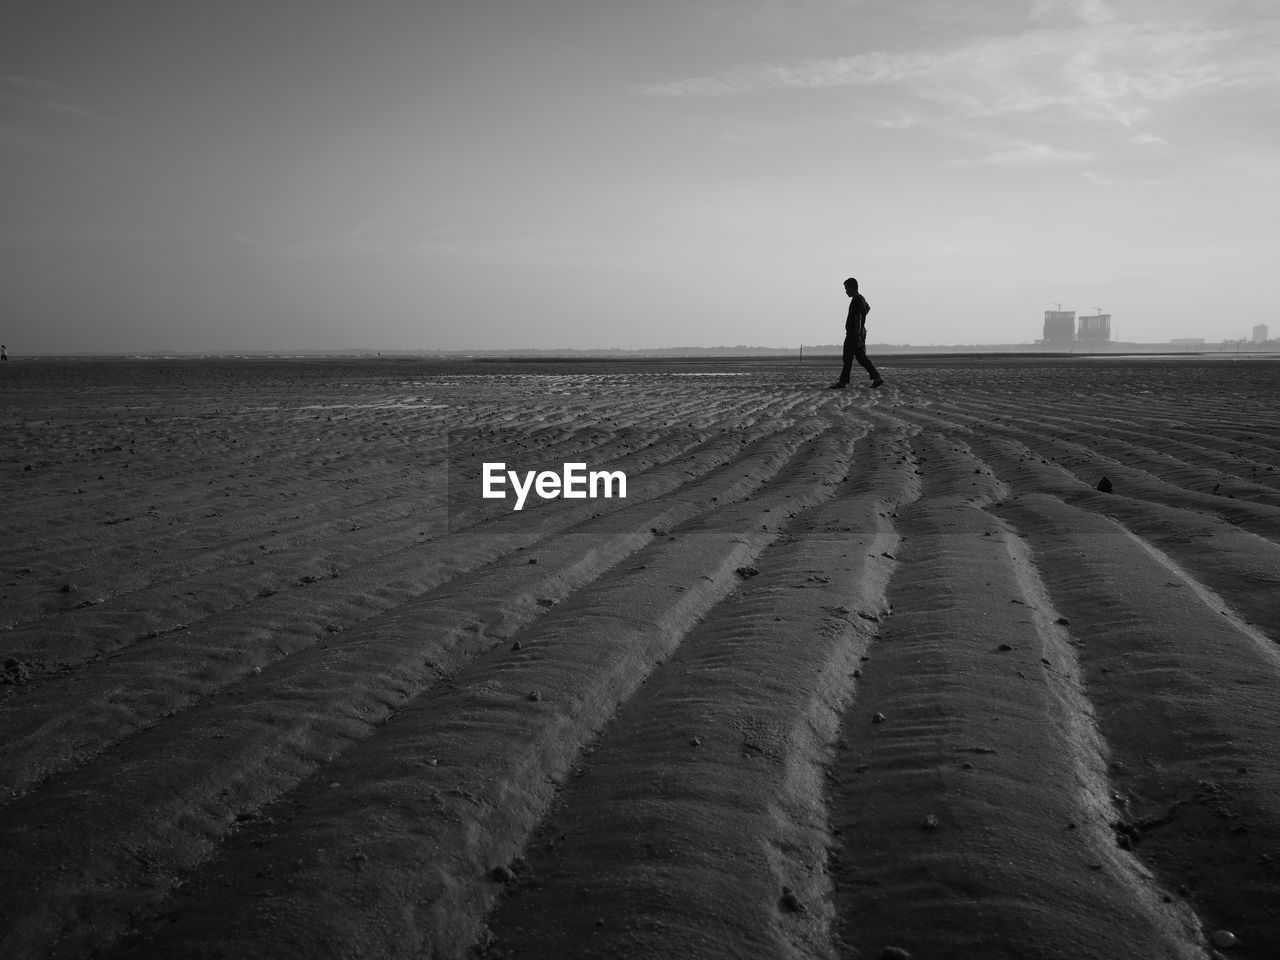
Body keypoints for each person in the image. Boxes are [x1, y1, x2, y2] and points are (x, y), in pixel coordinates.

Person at [828, 278, 883, 389]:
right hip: (860, 332)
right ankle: (877, 377)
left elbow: (858, 317)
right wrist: (862, 325)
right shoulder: (861, 299)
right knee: (861, 357)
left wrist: (857, 334)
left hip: (854, 333)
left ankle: (843, 382)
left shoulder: (856, 300)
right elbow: (868, 308)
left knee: (847, 357)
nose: (846, 292)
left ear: (852, 288)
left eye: (847, 289)